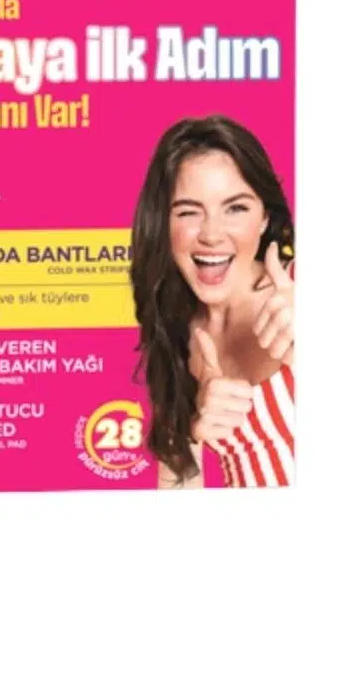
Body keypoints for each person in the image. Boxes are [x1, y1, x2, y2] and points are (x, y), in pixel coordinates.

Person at [130, 115, 295, 487]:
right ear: (162, 224)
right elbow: (177, 489)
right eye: (188, 211)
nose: (211, 234)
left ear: (264, 218)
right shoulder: (173, 337)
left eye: (236, 208)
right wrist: (192, 434)